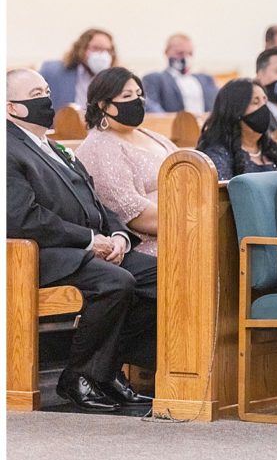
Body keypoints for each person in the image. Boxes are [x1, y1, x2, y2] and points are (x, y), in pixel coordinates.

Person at [7, 68, 156, 412]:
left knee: (162, 277)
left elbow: (95, 199)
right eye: (35, 93)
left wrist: (118, 234)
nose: (46, 98)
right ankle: (77, 375)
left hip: (88, 247)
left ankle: (105, 371)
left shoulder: (51, 145)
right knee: (116, 283)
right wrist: (90, 240)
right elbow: (23, 218)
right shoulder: (9, 149)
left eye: (46, 89)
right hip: (43, 254)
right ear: (12, 108)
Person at [76, 67, 177, 257]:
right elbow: (131, 212)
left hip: (185, 223)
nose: (137, 101)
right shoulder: (99, 147)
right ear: (103, 104)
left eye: (139, 94)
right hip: (150, 241)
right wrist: (189, 222)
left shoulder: (151, 136)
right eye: (127, 96)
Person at [197, 78, 277, 180]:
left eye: (265, 101)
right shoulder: (217, 156)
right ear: (236, 111)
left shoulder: (273, 150)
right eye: (255, 102)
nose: (264, 108)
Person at [40, 27, 116, 111]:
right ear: (81, 49)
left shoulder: (116, 81)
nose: (102, 55)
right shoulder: (52, 72)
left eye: (108, 50)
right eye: (96, 48)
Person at [142, 34, 218, 114]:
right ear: (167, 52)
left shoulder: (206, 79)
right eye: (180, 53)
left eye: (190, 53)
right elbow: (152, 108)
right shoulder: (155, 78)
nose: (185, 57)